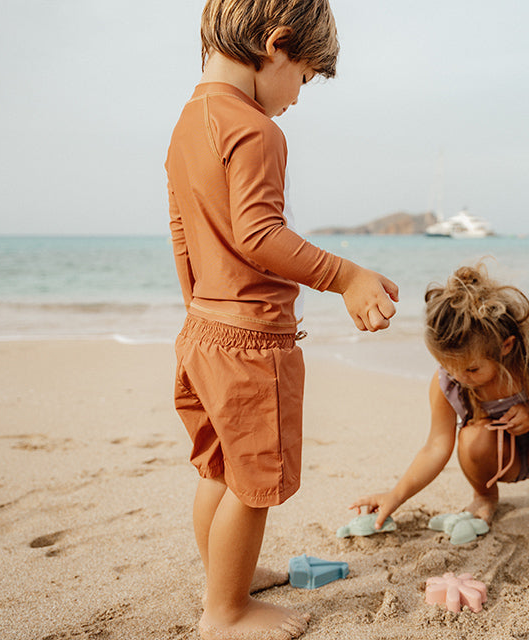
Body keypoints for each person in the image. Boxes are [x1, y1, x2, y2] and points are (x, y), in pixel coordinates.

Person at [165, 1, 399, 638]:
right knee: (254, 484)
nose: (297, 97)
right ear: (278, 45)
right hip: (249, 342)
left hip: (201, 331)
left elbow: (183, 236)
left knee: (219, 468)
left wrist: (200, 311)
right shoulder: (256, 129)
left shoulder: (188, 123)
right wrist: (346, 276)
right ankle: (227, 611)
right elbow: (260, 232)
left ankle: (226, 577)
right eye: (306, 75)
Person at [351, 264, 529, 543]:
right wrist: (395, 496)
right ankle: (484, 498)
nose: (459, 378)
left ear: (505, 346)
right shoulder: (449, 379)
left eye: (471, 370)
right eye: (448, 366)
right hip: (498, 463)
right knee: (470, 437)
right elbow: (436, 446)